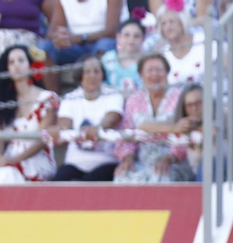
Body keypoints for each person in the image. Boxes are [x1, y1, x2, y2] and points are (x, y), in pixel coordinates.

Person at [0, 44, 59, 183]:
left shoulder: (48, 98)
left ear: (30, 65)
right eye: (11, 62)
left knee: (6, 177)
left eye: (21, 60)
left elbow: (43, 139)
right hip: (9, 160)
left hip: (36, 161)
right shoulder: (3, 101)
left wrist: (13, 161)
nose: (16, 65)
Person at [113, 53, 188, 182]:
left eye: (159, 70)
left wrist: (169, 158)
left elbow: (185, 133)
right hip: (141, 160)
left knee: (161, 177)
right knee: (122, 176)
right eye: (149, 71)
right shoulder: (134, 100)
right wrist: (127, 157)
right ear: (141, 75)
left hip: (174, 160)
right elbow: (126, 133)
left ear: (167, 73)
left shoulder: (180, 97)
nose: (154, 75)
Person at [56, 55, 124, 180]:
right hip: (75, 162)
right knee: (56, 183)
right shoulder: (70, 98)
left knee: (88, 183)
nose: (92, 76)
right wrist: (58, 129)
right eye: (87, 72)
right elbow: (64, 123)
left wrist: (97, 129)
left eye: (96, 72)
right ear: (80, 76)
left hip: (106, 161)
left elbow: (112, 118)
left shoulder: (113, 94)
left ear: (103, 75)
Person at [0, 0, 60, 88]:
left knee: (2, 38)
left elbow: (55, 21)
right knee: (0, 38)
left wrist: (47, 40)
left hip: (29, 41)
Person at [50, 0, 122, 69]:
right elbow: (52, 32)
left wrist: (80, 38)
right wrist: (60, 38)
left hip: (103, 43)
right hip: (75, 47)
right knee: (46, 47)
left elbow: (111, 32)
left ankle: (99, 78)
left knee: (105, 44)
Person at [155, 5, 204, 86]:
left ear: (182, 21)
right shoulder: (163, 54)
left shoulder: (202, 41)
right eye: (164, 23)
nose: (168, 26)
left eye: (172, 21)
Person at [102, 17, 145, 93]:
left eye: (136, 36)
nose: (131, 40)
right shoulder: (108, 58)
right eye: (126, 35)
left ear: (143, 39)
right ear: (118, 37)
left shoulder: (146, 61)